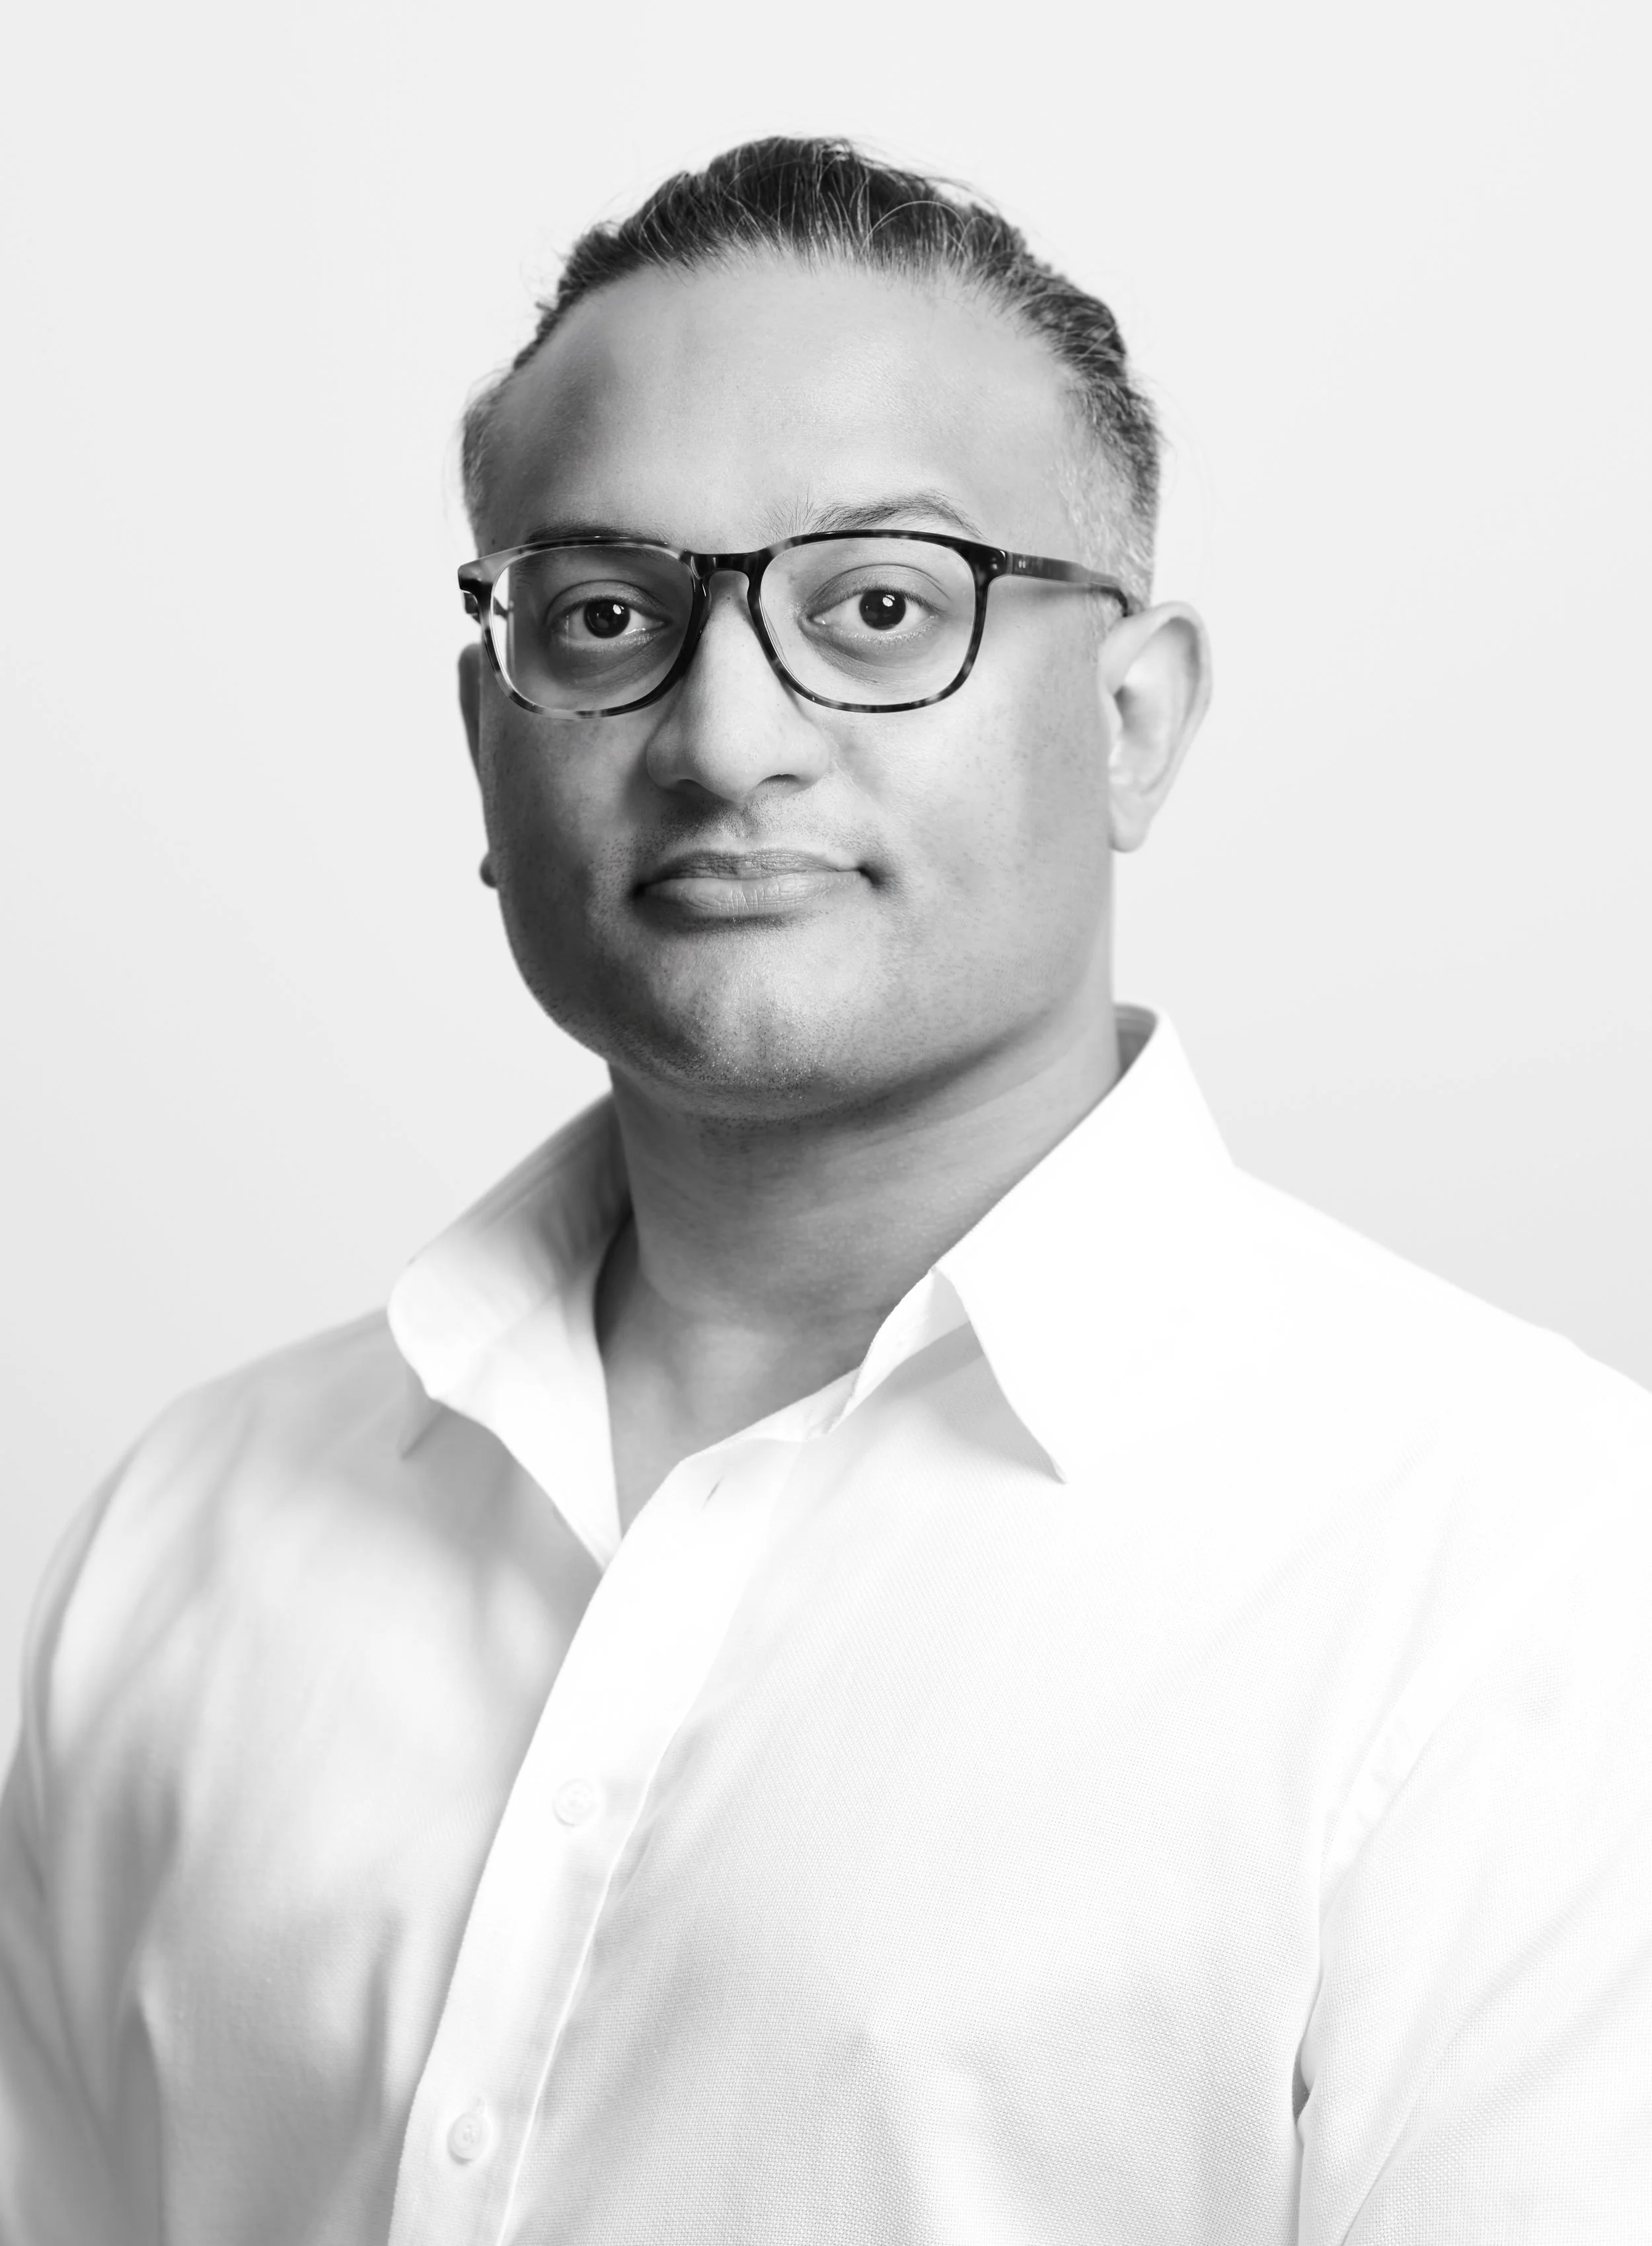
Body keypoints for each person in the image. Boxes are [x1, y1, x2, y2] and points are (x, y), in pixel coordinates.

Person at [1, 136, 1648, 2246]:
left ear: (1133, 722)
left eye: (877, 607)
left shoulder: (1526, 1574)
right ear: (484, 745)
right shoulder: (194, 1523)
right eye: (602, 615)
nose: (723, 732)